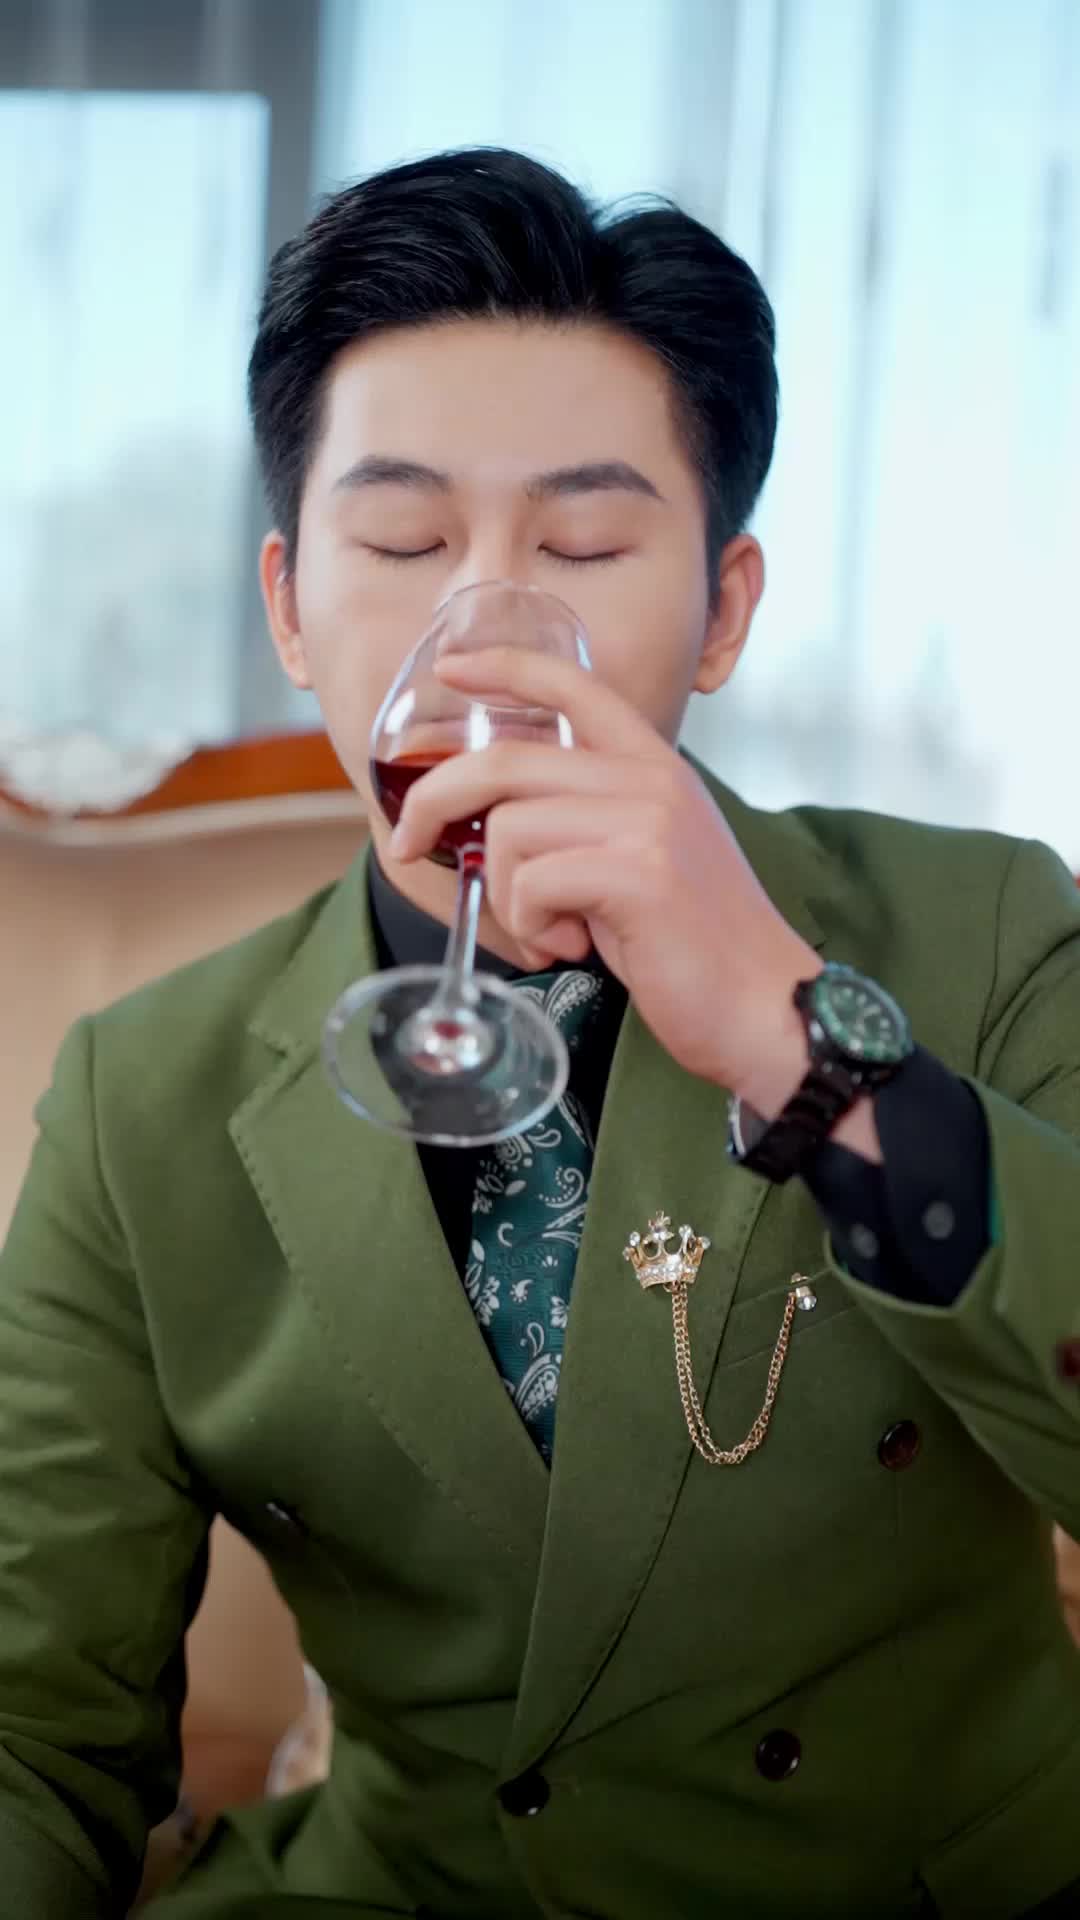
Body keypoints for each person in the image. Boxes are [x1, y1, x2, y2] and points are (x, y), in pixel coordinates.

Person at [1, 146, 1078, 1920]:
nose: (480, 641)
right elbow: (36, 1731)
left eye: (581, 545)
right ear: (288, 605)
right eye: (401, 542)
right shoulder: (141, 1099)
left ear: (724, 610)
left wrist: (795, 1036)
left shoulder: (989, 930)